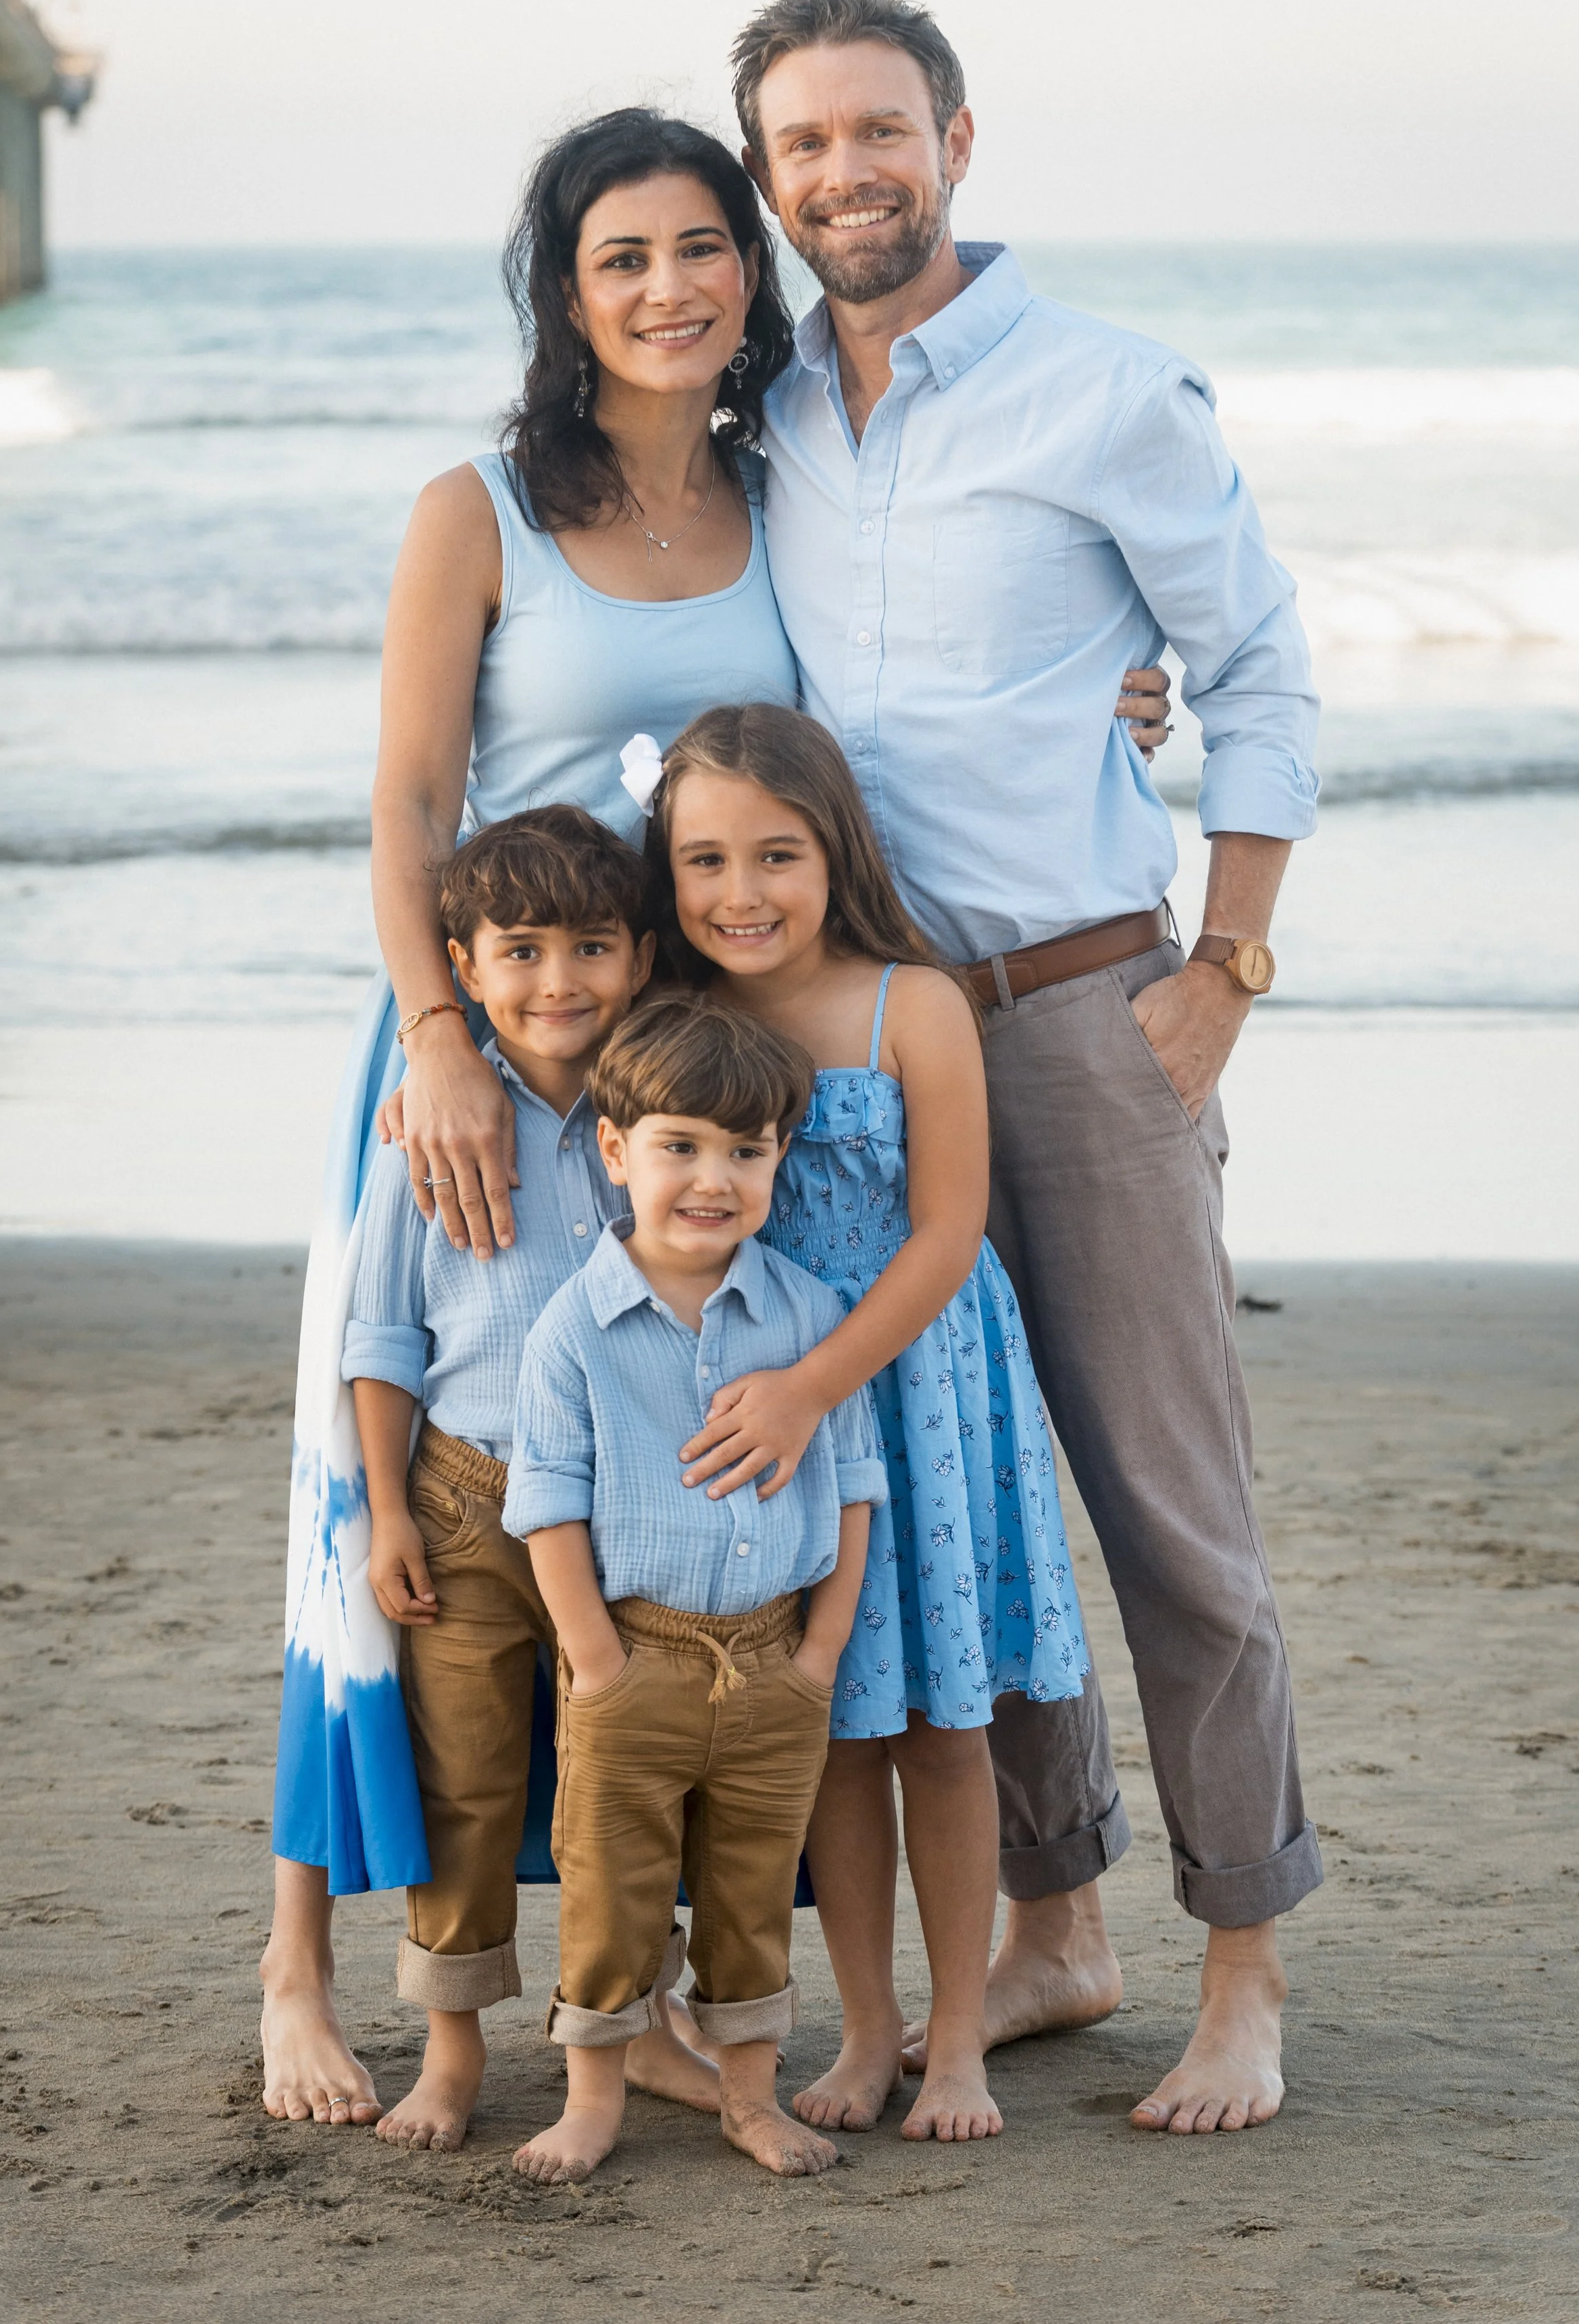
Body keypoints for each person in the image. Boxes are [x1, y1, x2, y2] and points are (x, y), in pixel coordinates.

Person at [259, 103, 1170, 2123]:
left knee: (642, 1535)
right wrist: (432, 1035)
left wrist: (1125, 682)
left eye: (698, 247)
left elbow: (929, 678)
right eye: (620, 258)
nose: (668, 287)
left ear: (745, 270)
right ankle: (298, 1968)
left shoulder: (793, 495)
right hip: (484, 1058)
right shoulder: (475, 503)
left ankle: (641, 1970)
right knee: (391, 1522)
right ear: (563, 295)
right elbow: (411, 803)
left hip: (675, 1092)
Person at [727, 0, 1324, 2136]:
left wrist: (1225, 962)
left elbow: (1257, 667)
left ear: (955, 140)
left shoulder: (1099, 391)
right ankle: (1058, 1925)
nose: (841, 174)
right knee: (968, 1514)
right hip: (863, 1055)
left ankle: (1239, 1966)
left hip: (1084, 1020)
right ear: (769, 179)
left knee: (1172, 1514)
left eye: (875, 131)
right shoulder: (763, 414)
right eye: (799, 146)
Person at [645, 704, 1090, 2143]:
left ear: (834, 848)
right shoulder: (683, 1021)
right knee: (826, 1724)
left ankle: (957, 2038)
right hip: (768, 1419)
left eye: (775, 854)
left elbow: (949, 1229)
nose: (739, 892)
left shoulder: (914, 1004)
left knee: (943, 1728)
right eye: (704, 859)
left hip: (909, 1403)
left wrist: (813, 1386)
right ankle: (866, 2027)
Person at [341, 803, 728, 2148]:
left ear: (639, 957)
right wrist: (386, 1508)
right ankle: (450, 2057)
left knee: (622, 1795)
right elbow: (383, 1334)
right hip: (459, 1502)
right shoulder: (430, 1127)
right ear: (460, 964)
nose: (556, 982)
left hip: (626, 1519)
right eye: (518, 951)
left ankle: (611, 2059)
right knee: (465, 1786)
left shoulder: (659, 1118)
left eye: (590, 947)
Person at [503, 998, 885, 2182]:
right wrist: (596, 1663)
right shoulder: (573, 1328)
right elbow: (547, 1504)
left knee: (751, 1891)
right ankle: (594, 2097)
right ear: (616, 1151)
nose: (713, 1177)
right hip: (637, 1658)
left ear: (779, 1157)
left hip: (775, 1661)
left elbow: (854, 1483)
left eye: (746, 1149)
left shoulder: (805, 1314)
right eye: (680, 1145)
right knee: (611, 1889)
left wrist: (820, 1652)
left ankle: (750, 2098)